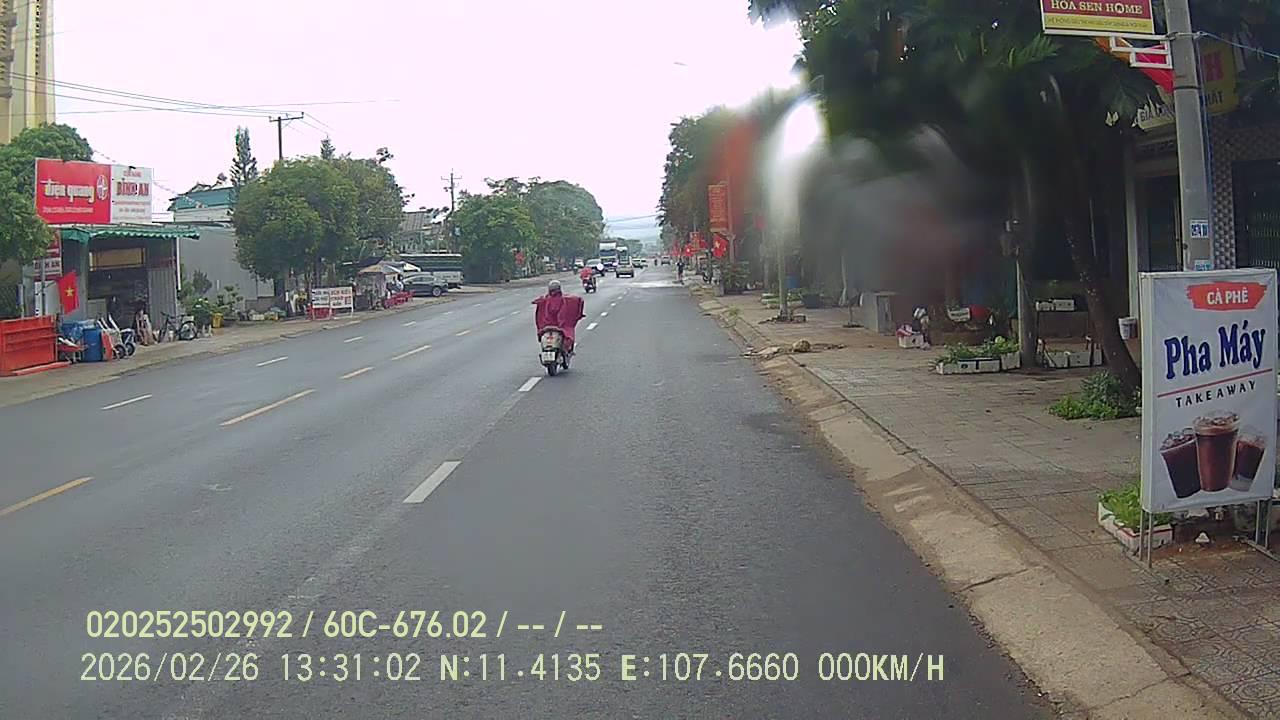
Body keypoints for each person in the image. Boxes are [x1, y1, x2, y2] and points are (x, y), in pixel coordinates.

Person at [532, 279, 585, 354]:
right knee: (568, 333)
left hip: (546, 326)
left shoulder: (544, 300)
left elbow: (539, 314)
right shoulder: (565, 300)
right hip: (561, 326)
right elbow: (578, 301)